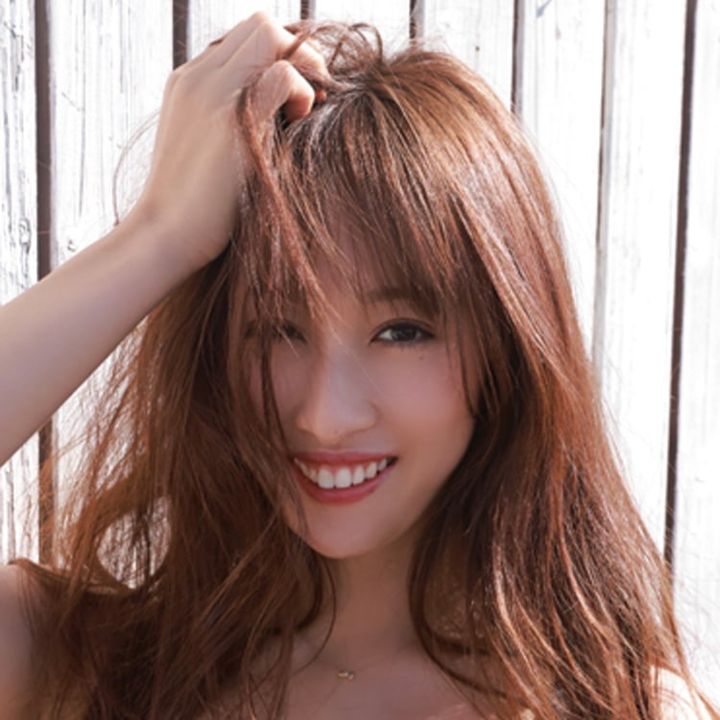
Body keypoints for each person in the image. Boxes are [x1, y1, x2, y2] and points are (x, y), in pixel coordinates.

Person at [0, 11, 716, 720]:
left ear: (506, 351)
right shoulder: (88, 666)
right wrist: (158, 236)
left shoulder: (618, 704)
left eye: (402, 332)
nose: (326, 416)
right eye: (278, 330)